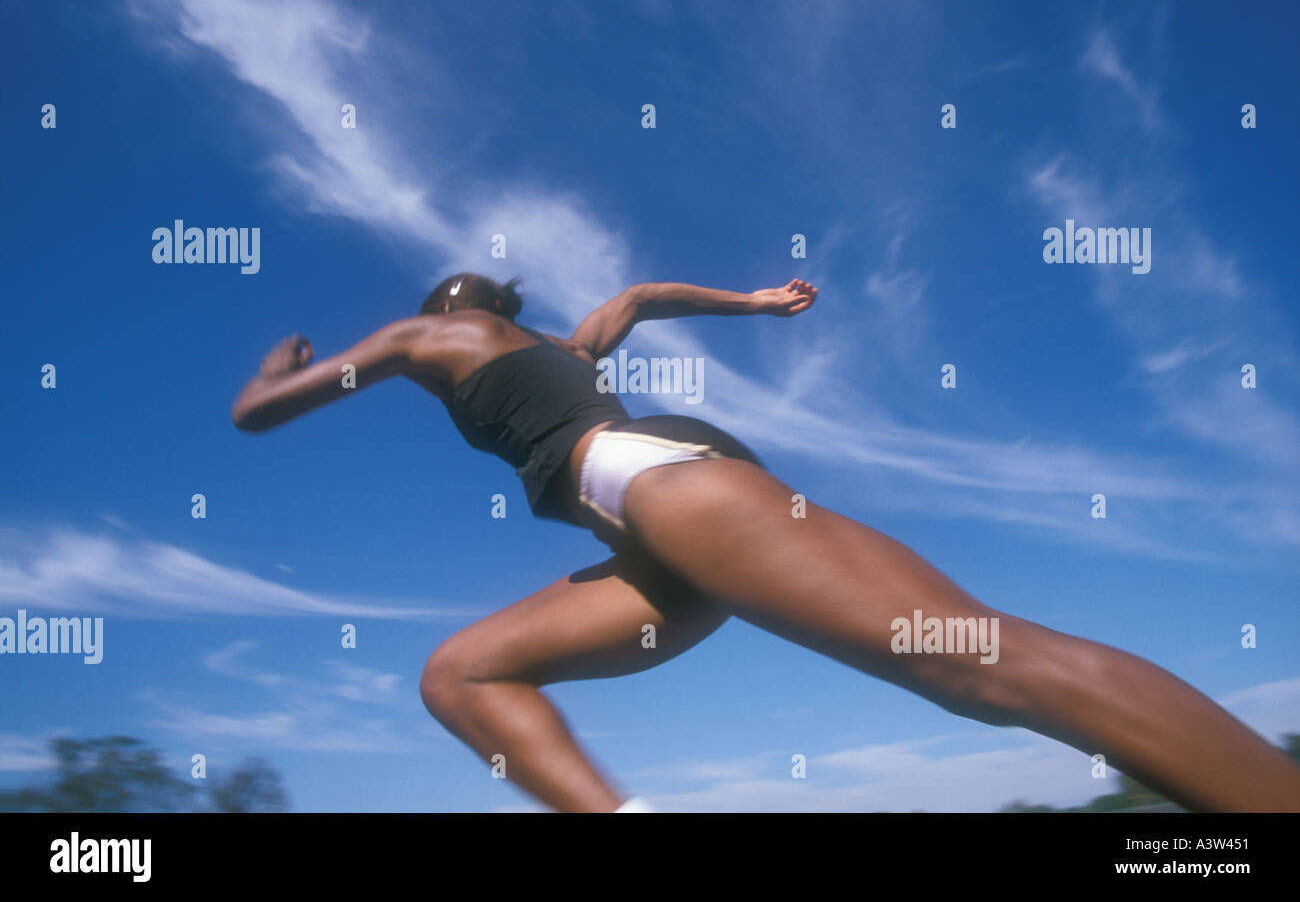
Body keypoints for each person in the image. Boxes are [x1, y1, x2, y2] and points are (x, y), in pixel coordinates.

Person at [231, 273, 1300, 812]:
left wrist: (274, 364)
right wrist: (753, 300)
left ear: (444, 304)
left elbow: (258, 415)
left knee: (976, 662)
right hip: (664, 527)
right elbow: (640, 295)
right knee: (462, 670)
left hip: (646, 484)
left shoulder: (424, 332)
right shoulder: (565, 342)